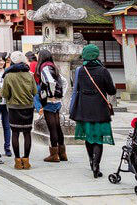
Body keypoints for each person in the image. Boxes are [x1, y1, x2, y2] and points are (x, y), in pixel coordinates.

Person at [70, 43, 116, 178]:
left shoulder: (80, 70)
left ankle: (91, 162)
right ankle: (97, 165)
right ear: (96, 55)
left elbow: (75, 88)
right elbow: (111, 90)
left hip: (83, 108)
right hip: (100, 109)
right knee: (98, 139)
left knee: (88, 137)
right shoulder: (103, 71)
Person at [2, 51, 36, 169]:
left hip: (14, 108)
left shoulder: (8, 76)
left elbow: (4, 93)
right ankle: (26, 160)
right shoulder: (29, 75)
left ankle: (17, 161)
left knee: (15, 133)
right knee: (27, 133)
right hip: (28, 107)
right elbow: (34, 92)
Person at [35, 49, 66, 162]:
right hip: (57, 101)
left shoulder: (44, 67)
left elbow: (50, 81)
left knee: (52, 128)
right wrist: (61, 95)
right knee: (57, 127)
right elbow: (64, 81)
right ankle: (62, 153)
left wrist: (51, 94)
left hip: (49, 101)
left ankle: (54, 154)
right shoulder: (53, 66)